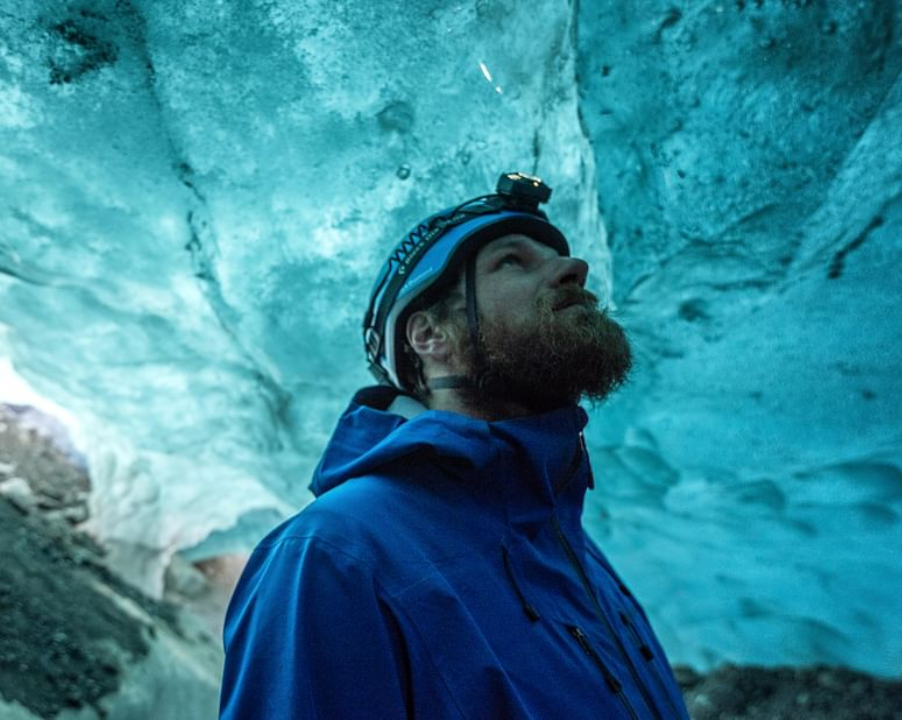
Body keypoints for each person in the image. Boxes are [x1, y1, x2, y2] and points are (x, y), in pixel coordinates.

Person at [219, 173, 690, 719]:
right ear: (430, 337)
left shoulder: (570, 545)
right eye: (512, 261)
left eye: (555, 256)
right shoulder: (334, 556)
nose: (572, 268)